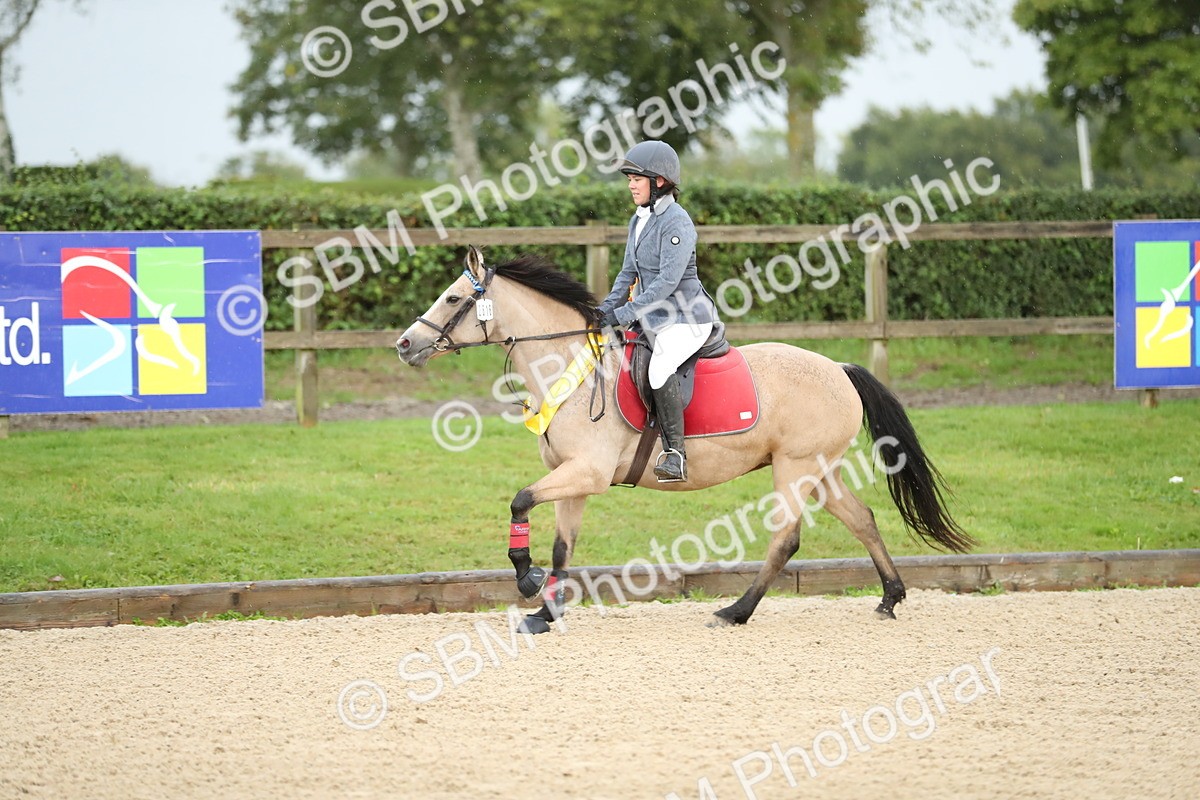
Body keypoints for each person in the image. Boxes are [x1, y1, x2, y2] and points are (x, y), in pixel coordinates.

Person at [595, 140, 719, 482]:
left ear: (659, 181)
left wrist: (626, 314)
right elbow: (626, 274)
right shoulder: (640, 219)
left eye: (637, 178)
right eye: (629, 178)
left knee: (660, 366)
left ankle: (675, 453)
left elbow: (666, 282)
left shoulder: (677, 222)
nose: (631, 184)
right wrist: (604, 309)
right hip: (654, 318)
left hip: (687, 317)